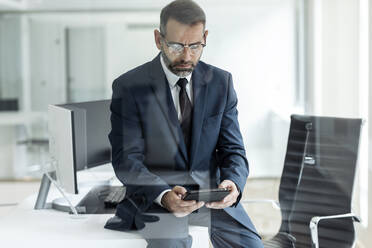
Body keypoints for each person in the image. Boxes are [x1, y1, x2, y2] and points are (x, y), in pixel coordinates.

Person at [108, 0, 263, 247]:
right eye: (176, 45)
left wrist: (233, 183)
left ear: (205, 38)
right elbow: (126, 160)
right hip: (157, 200)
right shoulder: (129, 87)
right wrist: (163, 195)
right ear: (159, 39)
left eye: (195, 46)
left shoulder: (220, 83)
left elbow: (233, 150)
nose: (187, 56)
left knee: (252, 245)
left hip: (211, 198)